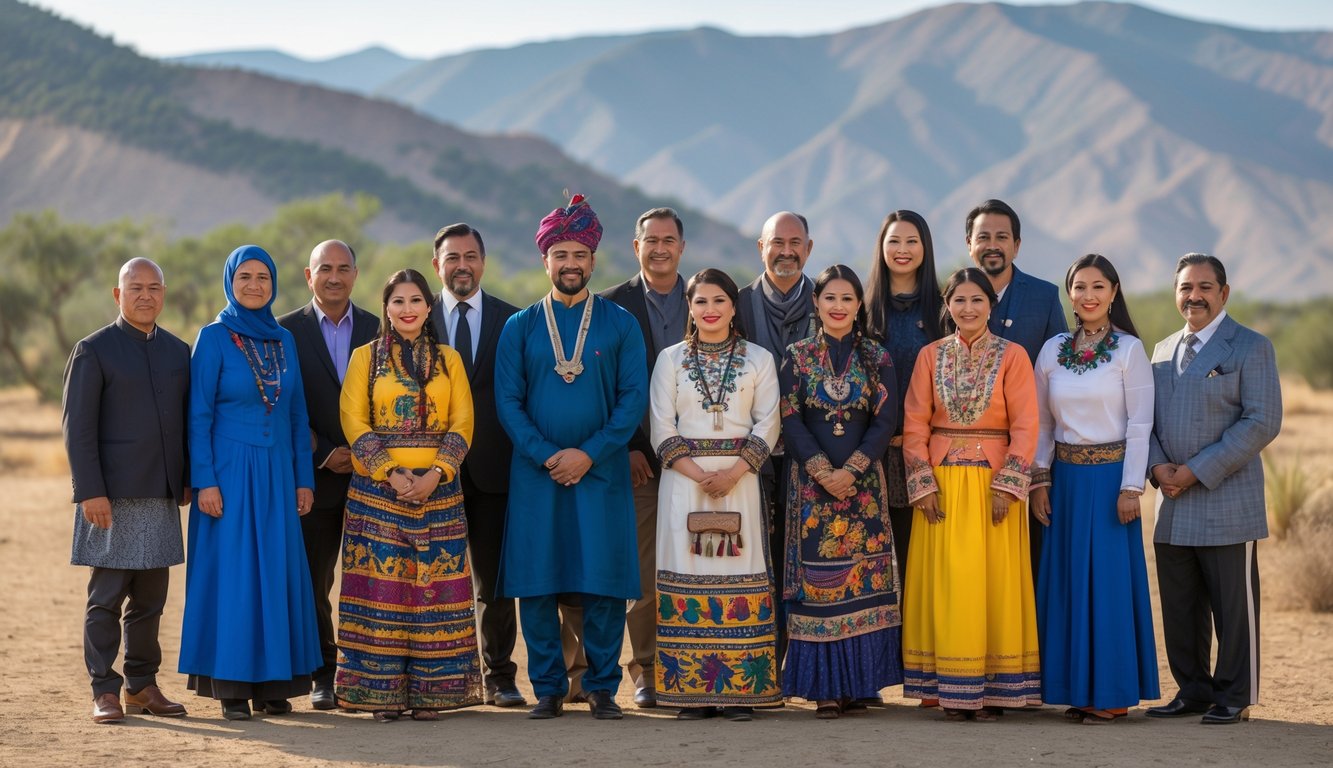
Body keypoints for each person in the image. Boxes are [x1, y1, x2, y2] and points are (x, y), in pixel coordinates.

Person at [494, 193, 648, 720]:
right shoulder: (518, 328)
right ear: (545, 260)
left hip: (600, 474)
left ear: (593, 260)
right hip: (537, 477)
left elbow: (632, 403)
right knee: (537, 583)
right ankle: (549, 689)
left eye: (579, 255)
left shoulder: (621, 324)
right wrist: (547, 455)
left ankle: (603, 687)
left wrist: (587, 454)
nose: (570, 264)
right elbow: (508, 404)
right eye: (560, 254)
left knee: (602, 582)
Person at [178, 245, 321, 721]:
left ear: (275, 284)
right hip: (230, 475)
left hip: (279, 473)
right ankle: (234, 688)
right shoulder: (214, 337)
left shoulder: (283, 339)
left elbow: (298, 414)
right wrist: (206, 483)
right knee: (236, 577)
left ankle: (275, 685)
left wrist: (304, 479)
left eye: (263, 277)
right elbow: (197, 416)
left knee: (276, 575)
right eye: (245, 277)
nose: (255, 285)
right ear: (230, 282)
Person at [336, 268, 482, 721]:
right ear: (386, 308)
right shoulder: (365, 357)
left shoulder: (449, 360)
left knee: (432, 591)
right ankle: (379, 695)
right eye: (398, 301)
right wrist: (392, 473)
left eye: (415, 300)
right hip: (378, 493)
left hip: (438, 493)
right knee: (383, 592)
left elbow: (462, 421)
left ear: (428, 306)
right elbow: (353, 420)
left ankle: (431, 694)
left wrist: (437, 473)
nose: (407, 309)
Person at [1144, 253, 1281, 725]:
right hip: (1171, 503)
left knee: (1233, 609)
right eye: (1185, 287)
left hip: (1227, 500)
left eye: (1204, 287)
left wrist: (1197, 470)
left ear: (1224, 293)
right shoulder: (1161, 350)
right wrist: (1159, 467)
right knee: (1181, 608)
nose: (1194, 296)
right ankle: (1193, 690)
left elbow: (1263, 421)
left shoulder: (1250, 346)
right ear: (1175, 292)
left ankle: (1234, 695)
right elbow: (1146, 421)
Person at [901, 267, 1041, 721]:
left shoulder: (1014, 356)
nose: (968, 308)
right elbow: (915, 423)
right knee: (949, 586)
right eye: (958, 300)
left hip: (993, 487)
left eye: (977, 300)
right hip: (940, 487)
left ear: (990, 305)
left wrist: (1009, 484)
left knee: (993, 586)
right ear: (947, 306)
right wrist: (921, 485)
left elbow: (1025, 426)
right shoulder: (929, 356)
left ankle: (992, 691)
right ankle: (949, 689)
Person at [1029, 254, 1159, 724]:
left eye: (1098, 286)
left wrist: (1131, 488)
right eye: (1079, 287)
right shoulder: (1052, 350)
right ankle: (1075, 691)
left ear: (1114, 291)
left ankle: (1111, 694)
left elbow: (1142, 424)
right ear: (1069, 294)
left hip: (1110, 483)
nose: (1088, 296)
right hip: (1065, 481)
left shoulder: (1129, 350)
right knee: (1066, 583)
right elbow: (1042, 423)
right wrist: (1040, 480)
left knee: (1106, 586)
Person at [63, 258, 191, 724]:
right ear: (118, 295)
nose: (145, 295)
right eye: (135, 287)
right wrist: (89, 491)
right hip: (110, 499)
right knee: (106, 599)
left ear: (163, 294)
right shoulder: (93, 350)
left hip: (160, 496)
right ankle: (104, 690)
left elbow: (187, 425)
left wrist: (186, 479)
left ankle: (142, 686)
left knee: (151, 601)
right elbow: (78, 430)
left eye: (153, 287)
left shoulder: (179, 352)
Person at [650, 268, 781, 722]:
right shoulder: (669, 360)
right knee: (686, 573)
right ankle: (691, 692)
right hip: (683, 485)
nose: (709, 310)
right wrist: (697, 473)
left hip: (741, 482)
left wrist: (735, 472)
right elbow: (662, 427)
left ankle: (740, 692)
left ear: (733, 306)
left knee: (739, 573)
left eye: (719, 301)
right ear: (690, 306)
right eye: (700, 301)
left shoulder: (759, 359)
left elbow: (769, 423)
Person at [778, 265, 903, 719]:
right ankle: (823, 689)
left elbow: (885, 421)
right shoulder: (797, 355)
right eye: (829, 297)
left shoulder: (877, 358)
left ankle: (858, 685)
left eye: (847, 298)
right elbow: (789, 418)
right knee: (819, 588)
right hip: (811, 490)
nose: (837, 306)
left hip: (863, 488)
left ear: (858, 306)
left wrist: (851, 470)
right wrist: (821, 470)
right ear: (816, 303)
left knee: (861, 584)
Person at [277, 239, 379, 710]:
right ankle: (323, 673)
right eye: (325, 269)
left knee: (371, 581)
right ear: (308, 274)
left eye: (343, 268)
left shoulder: (382, 330)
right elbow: (279, 407)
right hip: (313, 478)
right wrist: (323, 451)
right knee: (316, 581)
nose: (334, 277)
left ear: (356, 274)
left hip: (375, 479)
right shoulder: (283, 334)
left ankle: (370, 673)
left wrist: (362, 454)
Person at [595, 206, 690, 709]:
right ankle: (648, 669)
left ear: (681, 247)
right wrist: (631, 447)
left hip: (703, 463)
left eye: (668, 240)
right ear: (636, 248)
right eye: (650, 240)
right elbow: (606, 389)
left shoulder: (707, 299)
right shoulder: (611, 305)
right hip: (641, 464)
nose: (659, 248)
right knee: (646, 573)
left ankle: (696, 664)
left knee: (699, 567)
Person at [427, 223, 525, 708]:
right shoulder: (416, 319)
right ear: (436, 265)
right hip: (429, 474)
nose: (461, 265)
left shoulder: (513, 320)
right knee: (431, 579)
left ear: (483, 262)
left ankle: (501, 676)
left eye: (470, 256)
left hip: (493, 469)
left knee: (495, 583)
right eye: (452, 257)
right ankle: (438, 677)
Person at [964, 198, 1066, 578]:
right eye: (984, 236)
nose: (993, 244)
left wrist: (1042, 463)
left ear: (1017, 245)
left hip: (1034, 452)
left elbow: (1060, 374)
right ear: (969, 244)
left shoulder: (1043, 295)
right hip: (968, 461)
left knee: (1031, 560)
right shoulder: (955, 296)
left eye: (1002, 237)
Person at [735, 210, 816, 663]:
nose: (786, 252)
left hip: (816, 456)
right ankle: (762, 659)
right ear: (760, 247)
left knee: (810, 558)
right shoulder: (739, 305)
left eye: (795, 243)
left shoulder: (829, 301)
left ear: (809, 248)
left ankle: (810, 663)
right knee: (756, 555)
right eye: (776, 243)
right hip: (751, 456)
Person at [863, 210, 943, 583]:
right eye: (893, 241)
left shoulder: (943, 310)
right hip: (869, 458)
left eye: (912, 241)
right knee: (874, 567)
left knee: (922, 567)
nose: (902, 250)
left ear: (925, 248)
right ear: (880, 247)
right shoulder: (861, 311)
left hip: (927, 456)